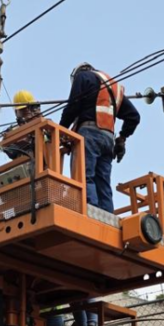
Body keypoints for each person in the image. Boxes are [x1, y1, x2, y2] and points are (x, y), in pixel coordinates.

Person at [58, 63, 140, 213]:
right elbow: (134, 116)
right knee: (103, 182)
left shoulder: (82, 77)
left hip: (89, 134)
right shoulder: (115, 87)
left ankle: (90, 212)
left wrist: (60, 131)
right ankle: (107, 215)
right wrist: (122, 138)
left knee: (84, 175)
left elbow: (73, 106)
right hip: (108, 139)